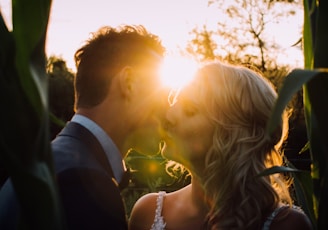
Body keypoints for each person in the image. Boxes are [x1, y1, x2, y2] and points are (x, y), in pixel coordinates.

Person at [0, 25, 166, 230]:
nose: (168, 110)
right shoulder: (80, 183)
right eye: (162, 92)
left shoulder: (53, 162)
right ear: (129, 83)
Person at [128, 61, 313, 230]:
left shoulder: (287, 225)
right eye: (173, 104)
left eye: (190, 110)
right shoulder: (147, 212)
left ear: (231, 132)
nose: (168, 116)